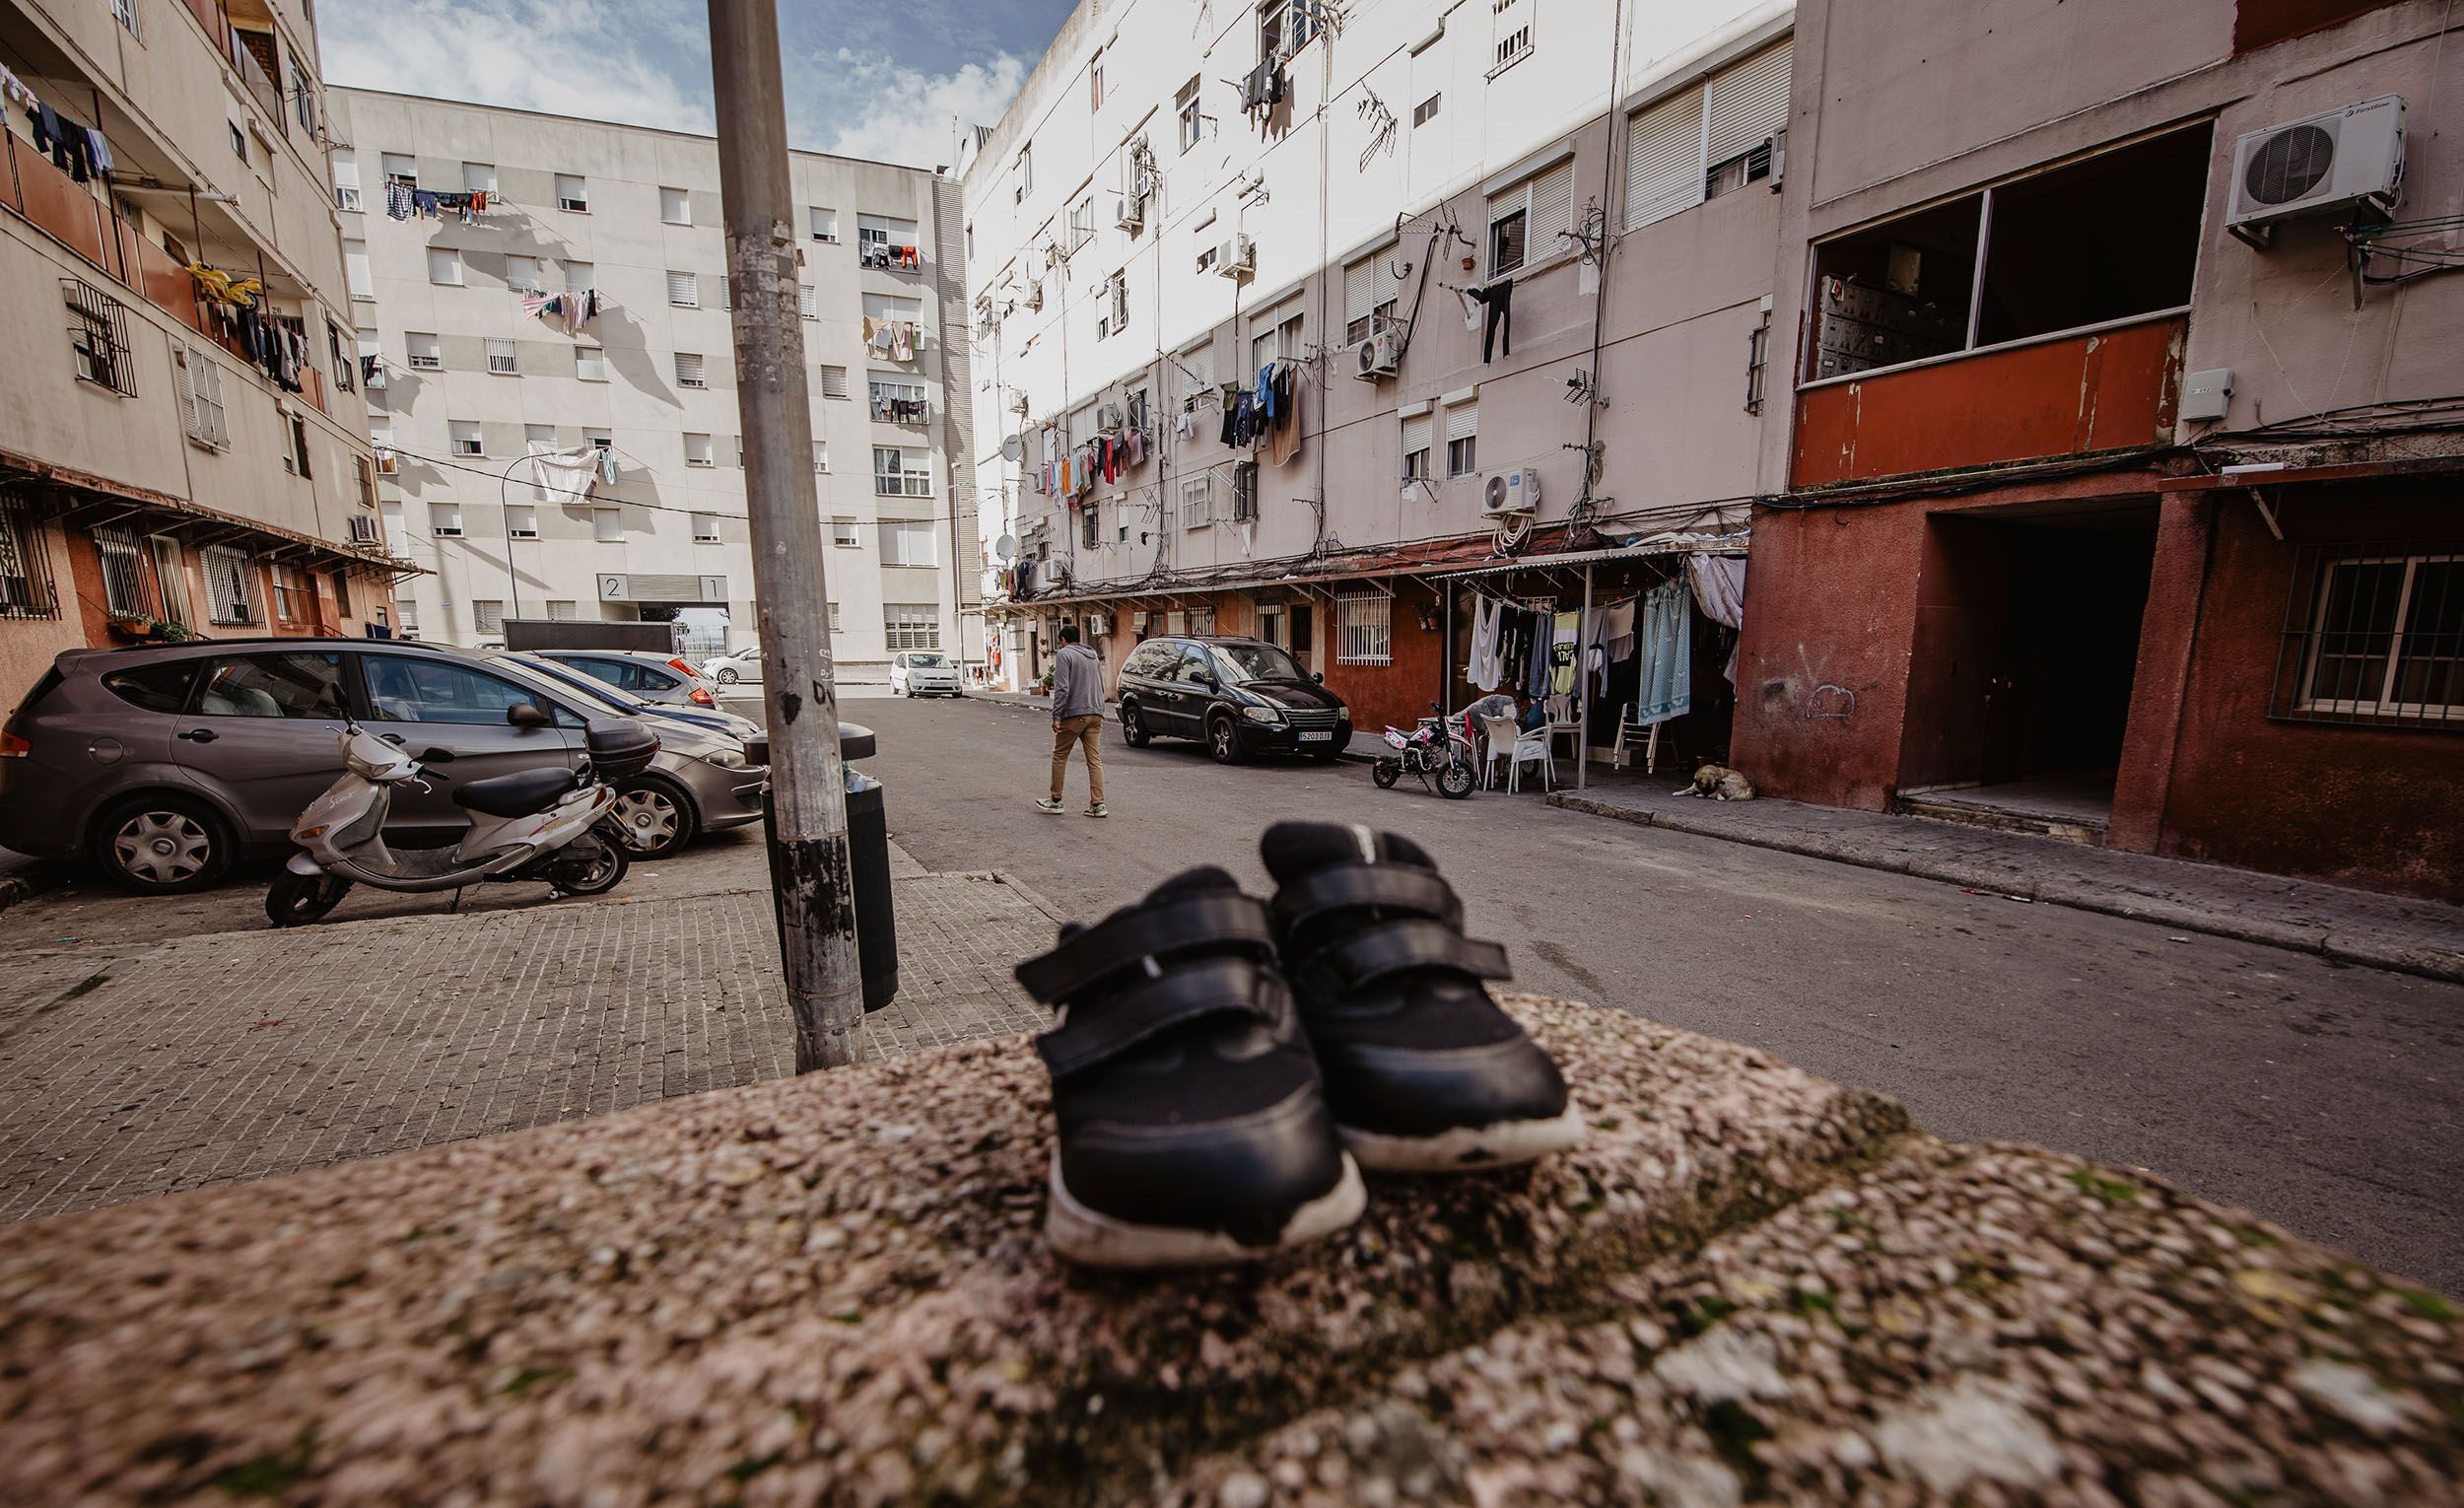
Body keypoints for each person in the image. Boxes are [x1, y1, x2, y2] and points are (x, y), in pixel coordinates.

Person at [1038, 624, 1108, 817]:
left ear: (1063, 640)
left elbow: (1062, 688)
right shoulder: (1092, 654)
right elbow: (1100, 685)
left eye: (1059, 641)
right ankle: (1098, 804)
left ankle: (1056, 800)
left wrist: (1056, 715)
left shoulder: (1064, 654)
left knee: (1060, 755)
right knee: (1094, 760)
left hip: (1075, 714)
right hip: (1096, 712)